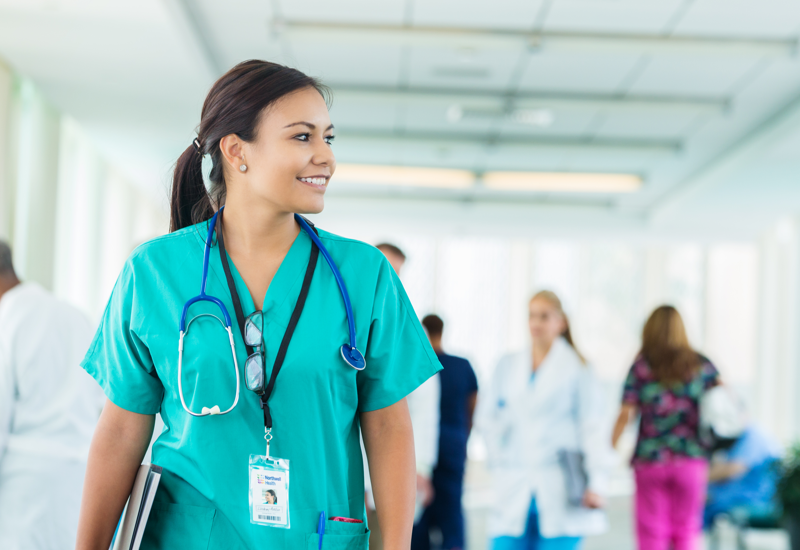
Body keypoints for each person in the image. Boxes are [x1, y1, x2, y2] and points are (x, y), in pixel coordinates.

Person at [75, 60, 441, 550]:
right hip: (191, 536)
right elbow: (122, 428)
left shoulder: (364, 275)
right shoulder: (155, 273)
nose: (325, 158)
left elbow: (389, 424)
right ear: (235, 150)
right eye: (302, 137)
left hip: (317, 534)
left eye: (327, 139)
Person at [478, 290, 610, 550]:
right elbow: (486, 418)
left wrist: (597, 482)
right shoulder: (507, 364)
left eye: (544, 316)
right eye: (531, 316)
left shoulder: (578, 367)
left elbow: (592, 427)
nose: (536, 323)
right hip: (513, 478)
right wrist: (498, 458)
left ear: (561, 322)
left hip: (560, 483)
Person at [0, 240, 100, 550]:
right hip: (78, 488)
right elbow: (102, 404)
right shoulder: (75, 316)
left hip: (23, 496)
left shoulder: (8, 319)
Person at [612, 305, 721, 550]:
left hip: (651, 459)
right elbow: (725, 406)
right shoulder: (701, 365)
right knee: (685, 532)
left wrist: (609, 448)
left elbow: (625, 414)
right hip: (691, 460)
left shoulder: (641, 366)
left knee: (652, 534)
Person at [367, 242, 441, 550]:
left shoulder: (408, 330)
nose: (389, 277)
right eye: (384, 268)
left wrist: (421, 467)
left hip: (391, 466)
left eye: (396, 272)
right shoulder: (342, 315)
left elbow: (425, 410)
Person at [411, 314, 478, 550]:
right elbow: (473, 407)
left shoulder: (417, 365)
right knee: (451, 518)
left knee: (418, 518)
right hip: (452, 447)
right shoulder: (462, 365)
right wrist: (463, 437)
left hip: (418, 452)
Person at [701, 387, 782, 528]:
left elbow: (732, 469)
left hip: (753, 501)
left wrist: (694, 476)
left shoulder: (754, 436)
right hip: (732, 499)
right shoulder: (737, 438)